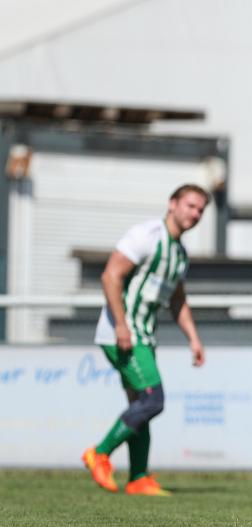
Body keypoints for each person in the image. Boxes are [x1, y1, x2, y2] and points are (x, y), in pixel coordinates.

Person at [82, 184, 209, 496]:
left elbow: (177, 300)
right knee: (153, 400)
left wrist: (193, 338)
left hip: (144, 336)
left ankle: (138, 477)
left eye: (201, 210)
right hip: (122, 334)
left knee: (140, 405)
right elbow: (110, 276)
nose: (195, 214)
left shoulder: (179, 254)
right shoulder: (146, 235)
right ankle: (99, 453)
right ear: (172, 204)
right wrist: (122, 326)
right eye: (190, 206)